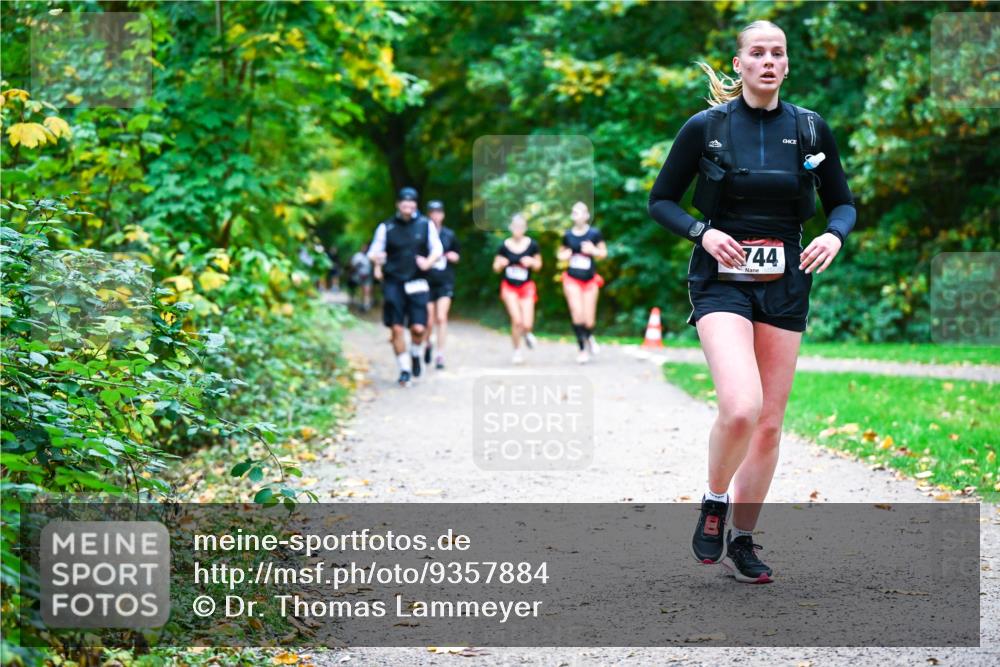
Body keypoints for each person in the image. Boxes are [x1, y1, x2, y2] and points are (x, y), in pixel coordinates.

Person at [647, 20, 856, 583]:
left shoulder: (810, 129)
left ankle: (743, 537)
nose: (768, 61)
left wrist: (832, 235)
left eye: (778, 53)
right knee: (741, 406)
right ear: (738, 64)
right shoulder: (706, 127)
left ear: (787, 65)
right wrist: (700, 232)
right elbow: (661, 200)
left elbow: (842, 203)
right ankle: (715, 500)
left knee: (767, 423)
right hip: (721, 277)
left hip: (787, 278)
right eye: (757, 53)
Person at [368, 187, 443, 386]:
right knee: (397, 328)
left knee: (419, 328)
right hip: (393, 282)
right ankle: (404, 369)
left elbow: (437, 249)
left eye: (411, 202)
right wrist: (377, 260)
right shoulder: (387, 227)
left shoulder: (425, 225)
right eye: (404, 202)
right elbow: (373, 251)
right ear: (398, 204)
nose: (407, 206)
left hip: (418, 281)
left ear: (416, 205)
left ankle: (416, 353)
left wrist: (428, 262)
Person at [557, 201, 607, 364]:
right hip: (572, 279)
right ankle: (582, 349)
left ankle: (589, 336)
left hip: (590, 280)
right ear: (572, 216)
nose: (578, 216)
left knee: (589, 319)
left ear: (587, 216)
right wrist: (564, 256)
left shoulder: (594, 234)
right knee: (576, 313)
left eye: (581, 212)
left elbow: (603, 253)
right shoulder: (567, 235)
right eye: (575, 212)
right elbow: (561, 253)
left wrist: (593, 251)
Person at [493, 214, 542, 364]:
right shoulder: (504, 246)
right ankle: (517, 351)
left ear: (525, 228)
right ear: (510, 227)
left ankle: (527, 333)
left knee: (527, 323)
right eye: (515, 226)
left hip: (526, 287)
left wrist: (532, 262)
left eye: (521, 226)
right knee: (516, 320)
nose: (518, 229)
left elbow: (539, 266)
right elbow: (495, 267)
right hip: (509, 287)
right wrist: (500, 264)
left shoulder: (532, 245)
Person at [424, 200, 460, 370]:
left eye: (438, 212)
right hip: (427, 280)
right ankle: (427, 343)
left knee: (441, 317)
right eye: (432, 212)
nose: (435, 215)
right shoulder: (422, 234)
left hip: (445, 280)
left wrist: (453, 256)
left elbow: (458, 254)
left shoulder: (449, 235)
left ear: (443, 215)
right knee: (428, 320)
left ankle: (440, 354)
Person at [349, 243, 373, 311]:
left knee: (367, 290)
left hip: (368, 276)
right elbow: (352, 265)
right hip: (359, 276)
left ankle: (366, 305)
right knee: (360, 290)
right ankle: (361, 303)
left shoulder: (370, 255)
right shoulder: (358, 256)